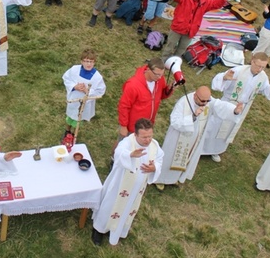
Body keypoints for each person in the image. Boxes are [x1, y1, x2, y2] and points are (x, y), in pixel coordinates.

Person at [91, 118, 163, 246]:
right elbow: (118, 153)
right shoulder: (128, 142)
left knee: (128, 208)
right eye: (144, 137)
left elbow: (159, 159)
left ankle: (117, 230)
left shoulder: (154, 145)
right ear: (135, 134)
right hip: (120, 186)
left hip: (136, 189)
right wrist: (130, 155)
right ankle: (99, 230)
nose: (148, 140)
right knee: (110, 205)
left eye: (150, 136)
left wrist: (155, 167)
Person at [203, 53, 270, 162]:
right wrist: (224, 78)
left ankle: (216, 150)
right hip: (228, 103)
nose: (259, 69)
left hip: (243, 107)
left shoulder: (263, 76)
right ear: (252, 61)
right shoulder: (239, 71)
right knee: (216, 125)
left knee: (229, 129)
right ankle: (203, 148)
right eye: (258, 66)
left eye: (263, 67)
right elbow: (218, 82)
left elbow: (263, 88)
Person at [155, 86, 239, 188]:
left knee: (186, 157)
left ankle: (174, 178)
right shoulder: (184, 102)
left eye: (207, 101)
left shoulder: (208, 102)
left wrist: (234, 111)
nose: (205, 103)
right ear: (195, 96)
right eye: (203, 101)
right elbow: (175, 121)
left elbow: (220, 106)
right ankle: (161, 179)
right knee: (171, 157)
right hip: (177, 138)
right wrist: (193, 117)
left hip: (195, 140)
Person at [161, 0, 228, 59]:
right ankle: (163, 60)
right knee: (170, 45)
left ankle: (174, 62)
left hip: (191, 30)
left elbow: (215, 4)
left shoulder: (205, 1)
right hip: (178, 26)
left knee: (182, 48)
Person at [116, 58, 174, 139]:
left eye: (162, 74)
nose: (160, 77)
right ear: (148, 70)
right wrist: (123, 126)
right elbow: (124, 106)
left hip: (146, 125)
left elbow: (160, 96)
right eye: (157, 74)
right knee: (123, 146)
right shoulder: (133, 85)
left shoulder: (159, 81)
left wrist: (169, 89)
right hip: (132, 127)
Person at [61, 48, 106, 137]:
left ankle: (74, 133)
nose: (88, 64)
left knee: (78, 119)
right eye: (86, 61)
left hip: (84, 103)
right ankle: (67, 131)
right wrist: (74, 86)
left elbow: (100, 91)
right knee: (70, 117)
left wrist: (87, 91)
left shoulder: (97, 77)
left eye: (91, 61)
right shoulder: (74, 70)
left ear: (94, 62)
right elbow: (66, 78)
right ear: (81, 61)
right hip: (74, 99)